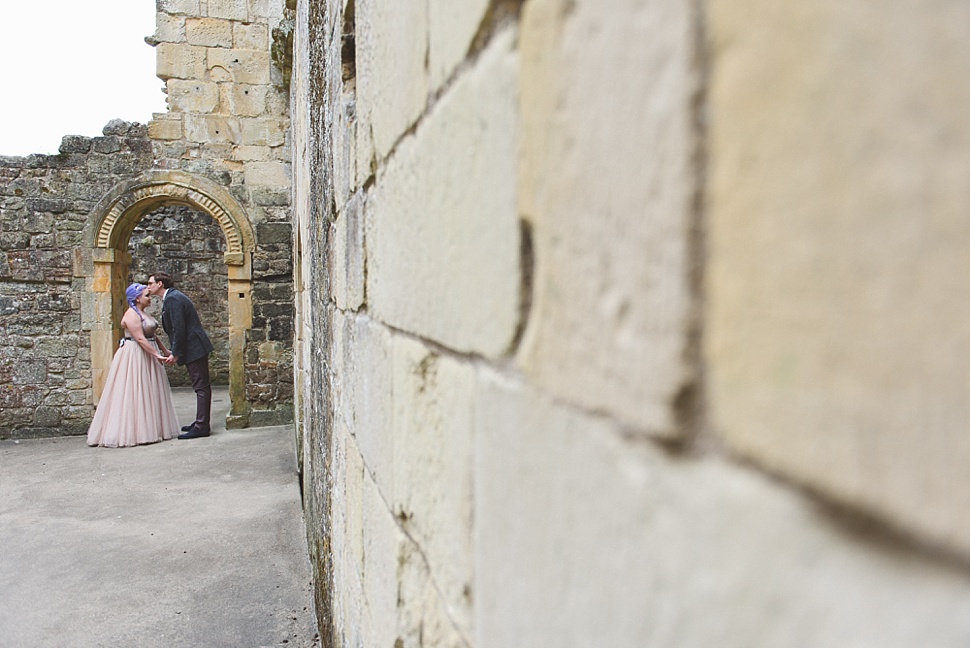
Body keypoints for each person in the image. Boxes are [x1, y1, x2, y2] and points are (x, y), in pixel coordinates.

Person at [87, 283, 180, 447]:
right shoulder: (131, 315)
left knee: (149, 390)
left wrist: (165, 351)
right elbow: (140, 338)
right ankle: (135, 432)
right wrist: (156, 354)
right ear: (137, 298)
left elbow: (152, 335)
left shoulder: (144, 314)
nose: (150, 299)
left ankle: (153, 427)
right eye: (146, 296)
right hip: (135, 354)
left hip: (147, 352)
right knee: (135, 390)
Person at [147, 271, 214, 439]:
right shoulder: (172, 297)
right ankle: (201, 422)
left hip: (195, 347)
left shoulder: (173, 299)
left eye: (150, 283)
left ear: (160, 284)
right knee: (200, 386)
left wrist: (176, 353)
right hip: (193, 347)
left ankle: (201, 426)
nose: (148, 287)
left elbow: (179, 328)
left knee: (201, 387)